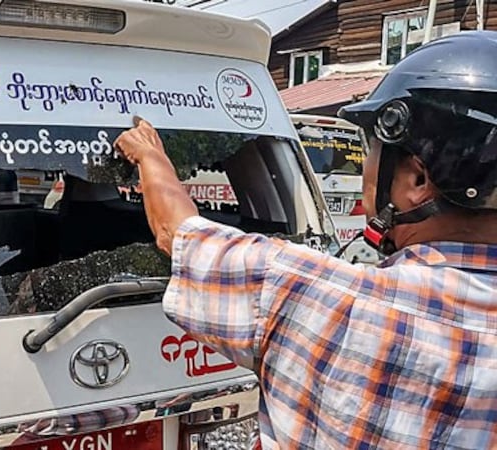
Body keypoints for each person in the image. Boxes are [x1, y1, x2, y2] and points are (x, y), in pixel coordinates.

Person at [113, 31, 497, 449]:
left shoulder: (320, 297)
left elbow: (179, 234)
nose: (366, 167)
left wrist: (149, 154)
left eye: (372, 149)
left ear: (417, 180)